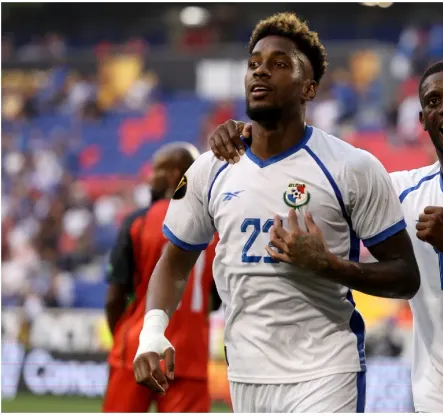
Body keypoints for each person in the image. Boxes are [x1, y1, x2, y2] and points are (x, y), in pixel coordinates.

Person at [209, 60, 443, 412]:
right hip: (436, 404)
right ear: (422, 121)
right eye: (432, 102)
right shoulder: (400, 191)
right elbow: (317, 175)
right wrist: (258, 137)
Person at [132, 12, 420, 414]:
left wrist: (330, 265)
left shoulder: (351, 167)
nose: (260, 72)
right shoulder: (211, 168)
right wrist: (152, 334)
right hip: (246, 374)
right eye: (254, 64)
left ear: (310, 87)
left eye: (279, 64)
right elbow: (175, 262)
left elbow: (406, 275)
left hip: (326, 370)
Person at [103, 142, 219, 412]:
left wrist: (122, 340)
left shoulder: (139, 222)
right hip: (190, 356)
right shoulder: (216, 229)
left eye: (156, 171)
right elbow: (216, 299)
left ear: (173, 174)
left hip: (136, 349)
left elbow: (113, 298)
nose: (149, 178)